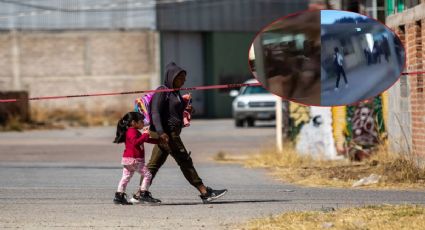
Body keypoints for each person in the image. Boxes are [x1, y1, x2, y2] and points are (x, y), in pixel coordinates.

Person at [133, 62, 227, 204]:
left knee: (154, 164)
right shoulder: (162, 91)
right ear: (171, 77)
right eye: (180, 77)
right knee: (184, 161)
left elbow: (174, 111)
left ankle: (140, 193)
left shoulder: (175, 93)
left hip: (167, 133)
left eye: (184, 78)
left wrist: (188, 108)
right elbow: (155, 113)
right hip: (166, 133)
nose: (183, 80)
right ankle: (205, 192)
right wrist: (161, 132)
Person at [113, 112, 161, 205]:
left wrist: (158, 141)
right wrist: (146, 134)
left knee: (125, 177)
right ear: (133, 122)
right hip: (135, 159)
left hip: (128, 160)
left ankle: (119, 196)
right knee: (148, 175)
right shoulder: (131, 131)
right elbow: (136, 142)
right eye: (141, 121)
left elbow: (145, 140)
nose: (143, 123)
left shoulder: (133, 131)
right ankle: (144, 194)